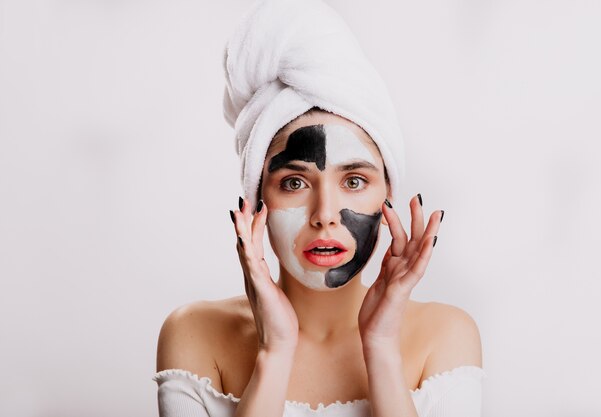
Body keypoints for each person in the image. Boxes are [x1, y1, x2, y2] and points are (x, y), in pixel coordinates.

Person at [154, 1, 485, 416]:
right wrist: (274, 351)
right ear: (258, 201)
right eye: (294, 183)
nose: (325, 213)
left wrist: (381, 348)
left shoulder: (446, 335)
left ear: (388, 197)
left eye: (354, 181)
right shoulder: (193, 334)